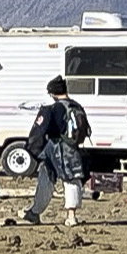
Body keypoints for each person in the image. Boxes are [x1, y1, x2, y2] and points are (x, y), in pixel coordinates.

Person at [21, 76, 91, 226]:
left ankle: (38, 212)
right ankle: (68, 215)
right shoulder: (77, 106)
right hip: (72, 148)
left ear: (52, 93)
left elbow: (41, 130)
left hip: (54, 146)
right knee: (72, 179)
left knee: (47, 178)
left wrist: (33, 149)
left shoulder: (54, 108)